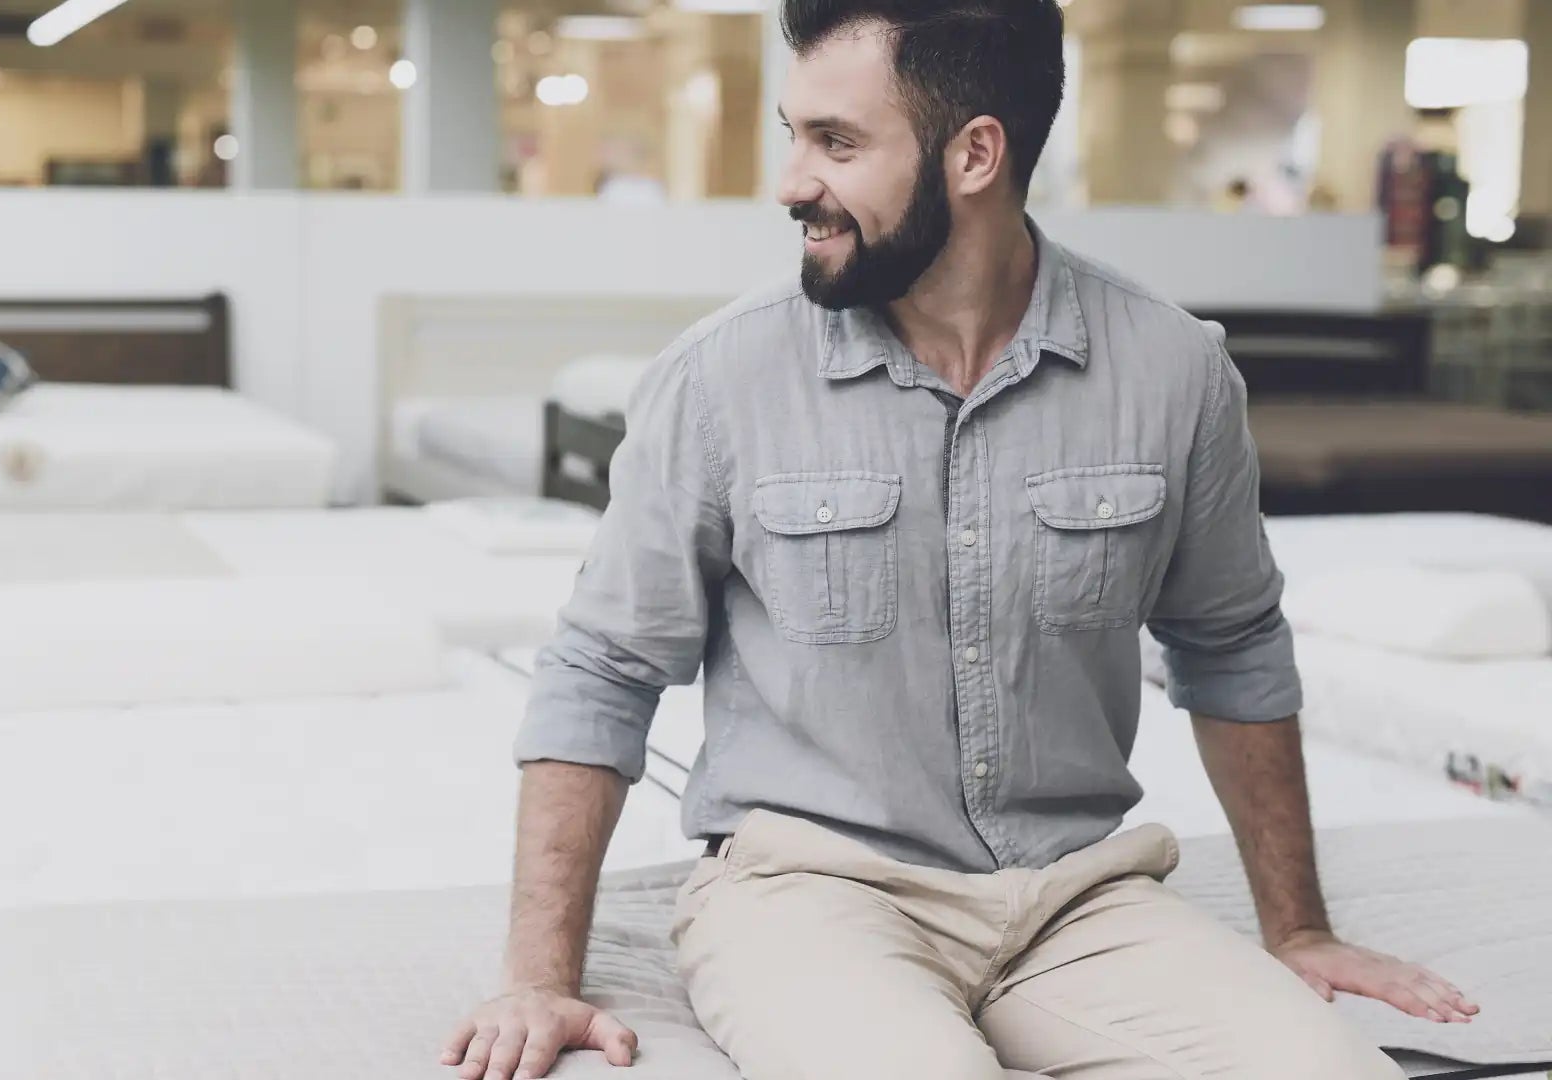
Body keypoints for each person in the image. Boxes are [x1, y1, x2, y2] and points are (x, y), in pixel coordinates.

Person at [444, 3, 1476, 1077]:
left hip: (1077, 899)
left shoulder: (1174, 369)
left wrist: (1297, 928)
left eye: (837, 143)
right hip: (810, 893)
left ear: (975, 153)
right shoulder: (719, 379)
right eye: (795, 135)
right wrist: (538, 979)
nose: (791, 182)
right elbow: (603, 670)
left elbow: (1234, 645)